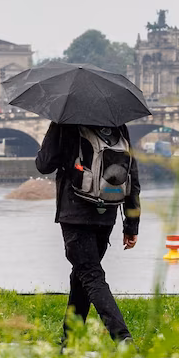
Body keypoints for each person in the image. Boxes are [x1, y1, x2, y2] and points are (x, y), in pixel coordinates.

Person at [35, 122, 140, 344]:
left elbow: (44, 165)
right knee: (82, 275)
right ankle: (70, 340)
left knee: (90, 275)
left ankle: (122, 337)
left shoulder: (65, 121)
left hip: (75, 211)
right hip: (107, 211)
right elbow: (131, 173)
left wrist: (52, 137)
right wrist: (131, 223)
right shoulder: (117, 123)